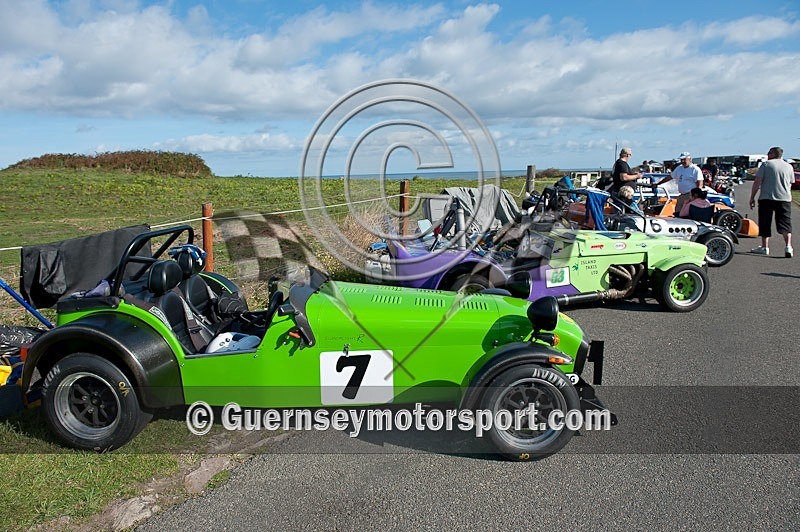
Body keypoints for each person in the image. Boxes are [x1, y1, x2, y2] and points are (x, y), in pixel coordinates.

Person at [748, 146, 794, 257]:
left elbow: (757, 182)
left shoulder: (766, 165)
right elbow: (791, 183)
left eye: (769, 153)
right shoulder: (789, 166)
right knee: (785, 223)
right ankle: (788, 246)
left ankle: (765, 247)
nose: (767, 155)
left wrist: (752, 197)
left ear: (773, 154)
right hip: (784, 198)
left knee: (765, 222)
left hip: (767, 198)